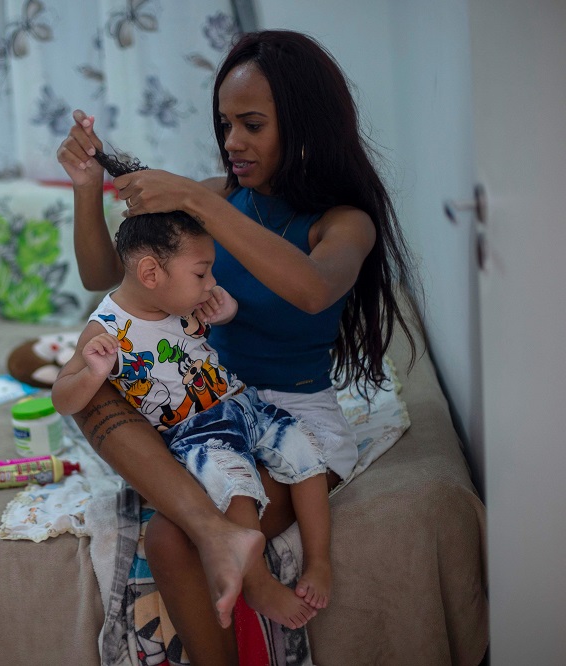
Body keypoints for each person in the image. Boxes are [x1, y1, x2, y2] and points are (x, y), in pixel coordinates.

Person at [55, 29, 420, 664]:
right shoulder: (221, 197)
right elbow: (100, 277)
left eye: (251, 124)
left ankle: (208, 539)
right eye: (225, 124)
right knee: (89, 379)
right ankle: (211, 527)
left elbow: (311, 289)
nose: (231, 143)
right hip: (205, 405)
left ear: (305, 127)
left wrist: (197, 198)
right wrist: (90, 188)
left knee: (169, 543)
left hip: (288, 414)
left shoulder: (341, 223)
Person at [51, 208, 333, 625]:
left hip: (241, 403)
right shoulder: (107, 329)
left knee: (305, 450)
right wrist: (93, 373)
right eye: (202, 274)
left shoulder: (182, 300)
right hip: (197, 434)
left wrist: (225, 312)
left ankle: (319, 561)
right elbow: (62, 397)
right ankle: (256, 584)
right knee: (238, 487)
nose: (211, 283)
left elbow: (210, 330)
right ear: (150, 274)